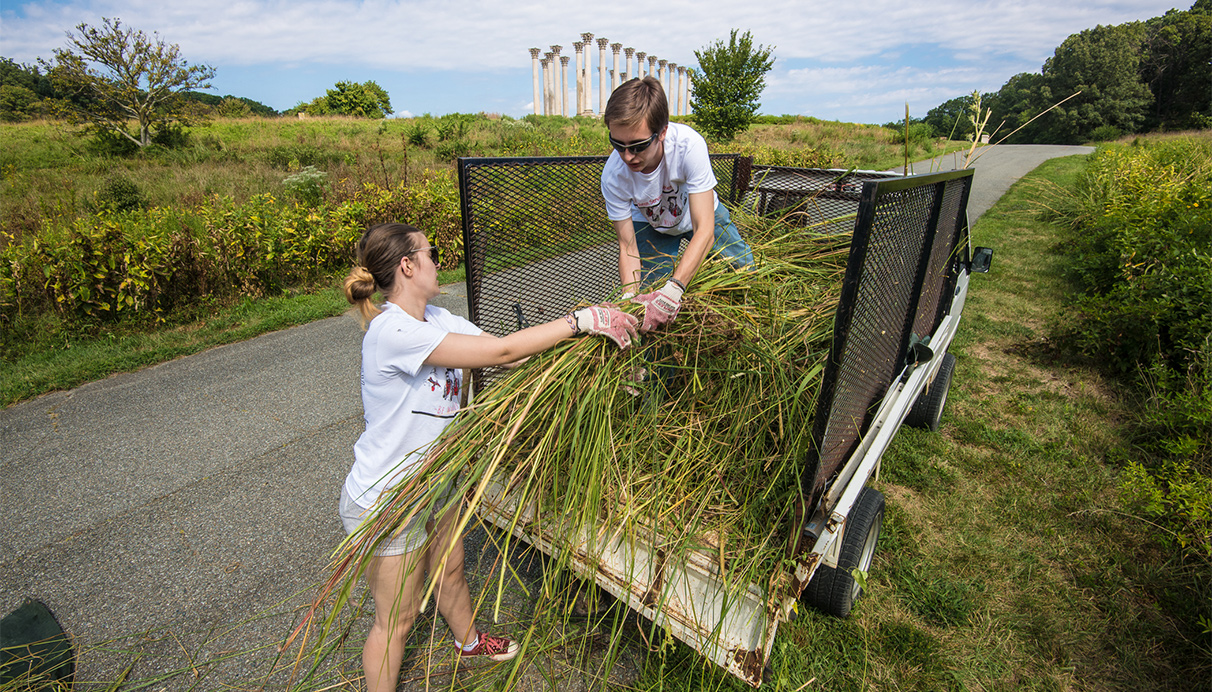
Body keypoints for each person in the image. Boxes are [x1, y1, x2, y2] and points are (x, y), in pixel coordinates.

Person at [340, 222, 638, 692]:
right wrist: (579, 320)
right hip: (390, 497)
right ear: (407, 265)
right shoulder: (391, 332)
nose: (440, 260)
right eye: (431, 252)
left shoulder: (437, 318)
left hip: (437, 480)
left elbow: (508, 354)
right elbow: (499, 352)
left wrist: (584, 343)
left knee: (452, 568)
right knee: (395, 621)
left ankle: (470, 641)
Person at [601, 76, 753, 333]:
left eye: (638, 146)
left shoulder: (688, 146)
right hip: (653, 224)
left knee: (742, 268)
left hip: (700, 215)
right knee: (649, 298)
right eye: (618, 144)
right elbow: (628, 247)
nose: (627, 156)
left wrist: (674, 289)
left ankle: (748, 325)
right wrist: (629, 302)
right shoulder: (614, 175)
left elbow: (704, 229)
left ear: (662, 132)